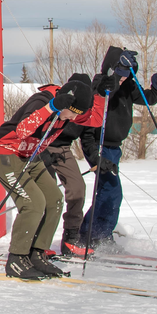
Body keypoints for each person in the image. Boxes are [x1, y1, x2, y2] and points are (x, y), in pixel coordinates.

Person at [0, 77, 99, 279]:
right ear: (66, 102)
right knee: (33, 203)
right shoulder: (42, 100)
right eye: (72, 112)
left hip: (31, 156)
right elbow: (22, 130)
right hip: (6, 153)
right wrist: (52, 107)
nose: (72, 118)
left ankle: (37, 253)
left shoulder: (70, 113)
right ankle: (17, 258)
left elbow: (96, 119)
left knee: (54, 199)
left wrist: (105, 91)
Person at [81, 47, 157, 253]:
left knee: (109, 193)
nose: (123, 79)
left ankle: (98, 235)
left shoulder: (128, 85)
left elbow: (148, 98)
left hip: (114, 148)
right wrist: (114, 78)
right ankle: (91, 236)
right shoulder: (100, 84)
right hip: (98, 145)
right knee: (111, 192)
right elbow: (99, 100)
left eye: (128, 74)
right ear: (112, 70)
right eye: (120, 74)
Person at [38, 73, 93, 255]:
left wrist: (96, 160)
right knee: (49, 193)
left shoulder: (84, 108)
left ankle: (70, 239)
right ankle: (38, 242)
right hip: (42, 147)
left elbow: (87, 137)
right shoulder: (57, 101)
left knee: (78, 188)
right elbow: (36, 127)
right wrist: (42, 151)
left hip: (63, 149)